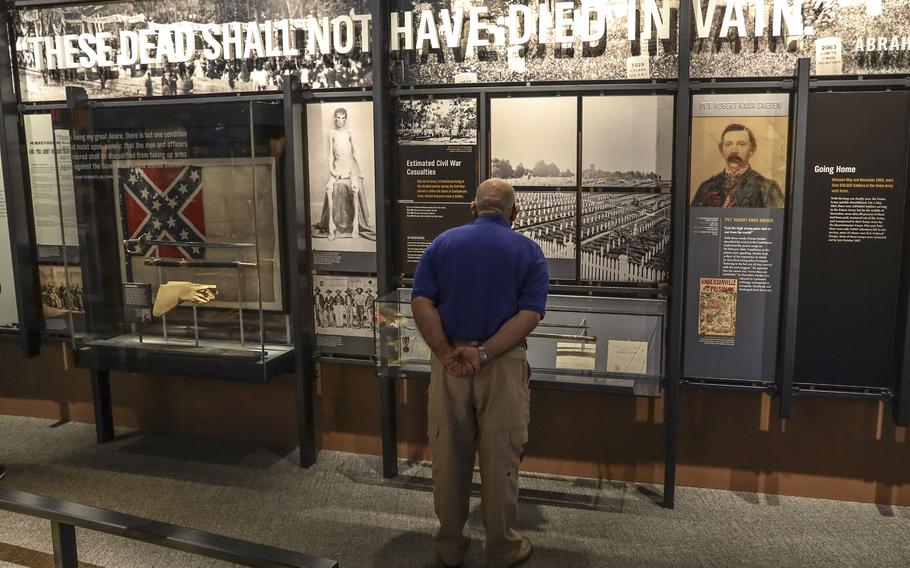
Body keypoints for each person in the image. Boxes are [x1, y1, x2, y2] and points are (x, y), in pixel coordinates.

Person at [412, 178, 548, 568]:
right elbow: (529, 315)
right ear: (514, 213)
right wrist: (485, 354)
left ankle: (450, 546)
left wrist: (446, 353)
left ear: (473, 209)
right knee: (500, 456)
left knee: (448, 455)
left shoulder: (441, 244)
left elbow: (421, 301)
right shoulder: (529, 251)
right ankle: (501, 548)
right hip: (501, 365)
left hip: (449, 361)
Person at [312, 107, 374, 241]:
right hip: (337, 169)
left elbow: (355, 153)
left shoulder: (349, 133)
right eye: (338, 118)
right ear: (335, 119)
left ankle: (356, 226)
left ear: (345, 120)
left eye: (342, 118)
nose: (340, 120)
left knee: (355, 188)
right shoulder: (332, 133)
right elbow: (330, 156)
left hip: (350, 168)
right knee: (329, 188)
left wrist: (360, 171)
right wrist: (332, 171)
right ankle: (331, 227)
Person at [690, 123, 785, 208]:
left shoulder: (767, 188)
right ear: (721, 149)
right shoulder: (706, 187)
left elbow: (776, 224)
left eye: (741, 144)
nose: (734, 150)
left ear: (752, 150)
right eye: (728, 144)